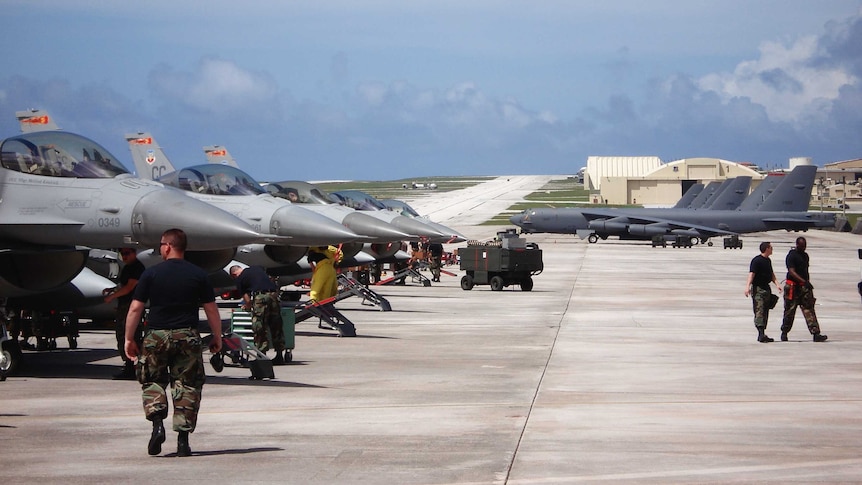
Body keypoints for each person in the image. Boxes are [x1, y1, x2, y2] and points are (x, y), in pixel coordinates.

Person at [124, 228, 223, 457]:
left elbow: (136, 308)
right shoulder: (199, 275)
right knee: (187, 384)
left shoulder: (151, 273)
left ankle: (157, 424)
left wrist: (129, 338)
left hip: (156, 335)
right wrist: (217, 337)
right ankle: (183, 441)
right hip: (186, 335)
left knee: (153, 380)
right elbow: (211, 309)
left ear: (168, 246)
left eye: (161, 244)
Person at [229, 265, 286, 365]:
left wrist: (248, 306)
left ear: (234, 274)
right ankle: (279, 355)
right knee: (276, 325)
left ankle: (261, 355)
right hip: (273, 295)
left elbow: (246, 298)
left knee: (259, 326)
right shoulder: (256, 269)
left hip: (261, 298)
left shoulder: (240, 278)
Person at [103, 247, 145, 379]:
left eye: (127, 253)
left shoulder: (136, 268)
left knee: (130, 336)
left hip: (132, 307)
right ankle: (129, 366)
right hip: (125, 306)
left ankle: (133, 367)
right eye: (122, 254)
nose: (124, 256)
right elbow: (124, 285)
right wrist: (113, 290)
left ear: (134, 253)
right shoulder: (128, 268)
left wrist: (112, 296)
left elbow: (129, 287)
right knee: (123, 335)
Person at [781, 236, 828, 342]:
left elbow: (805, 271)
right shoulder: (791, 256)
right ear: (797, 245)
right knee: (790, 311)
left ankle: (816, 333)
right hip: (793, 286)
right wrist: (803, 281)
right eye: (802, 246)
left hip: (804, 287)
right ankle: (784, 332)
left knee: (809, 309)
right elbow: (792, 271)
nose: (804, 248)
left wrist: (807, 284)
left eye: (805, 246)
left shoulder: (805, 256)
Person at [744, 241, 782, 343]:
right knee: (759, 310)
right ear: (767, 249)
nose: (772, 249)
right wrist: (747, 287)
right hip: (758, 289)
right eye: (771, 247)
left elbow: (771, 274)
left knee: (765, 311)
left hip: (766, 288)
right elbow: (751, 274)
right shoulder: (756, 261)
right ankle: (760, 334)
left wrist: (777, 284)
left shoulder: (768, 261)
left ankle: (763, 333)